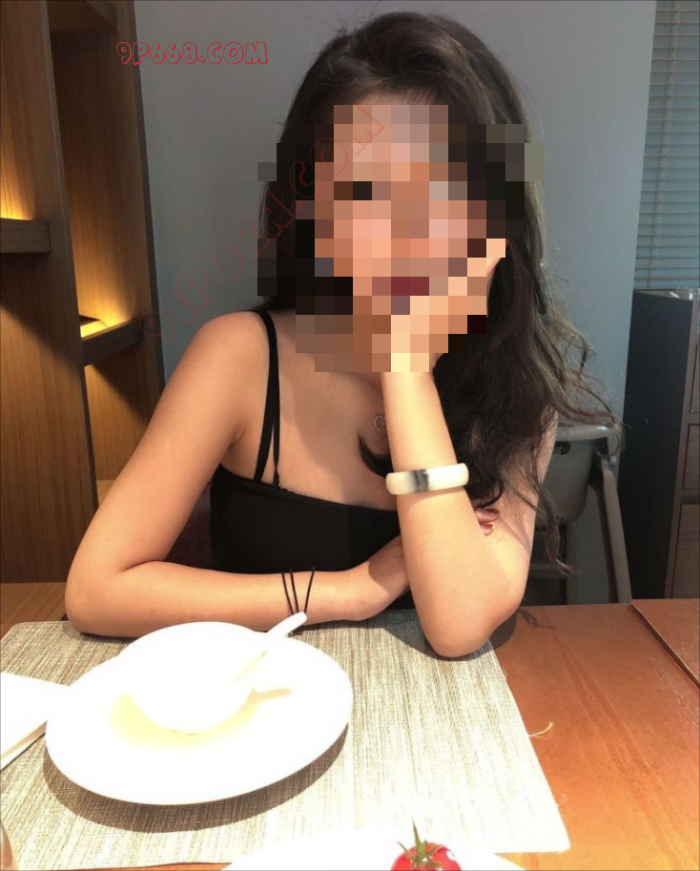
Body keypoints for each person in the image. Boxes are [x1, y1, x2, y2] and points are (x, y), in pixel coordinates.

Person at [65, 11, 622, 656]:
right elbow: (98, 589)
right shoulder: (240, 357)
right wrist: (344, 591)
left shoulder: (519, 393)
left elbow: (460, 626)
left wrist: (405, 367)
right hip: (262, 703)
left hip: (435, 716)